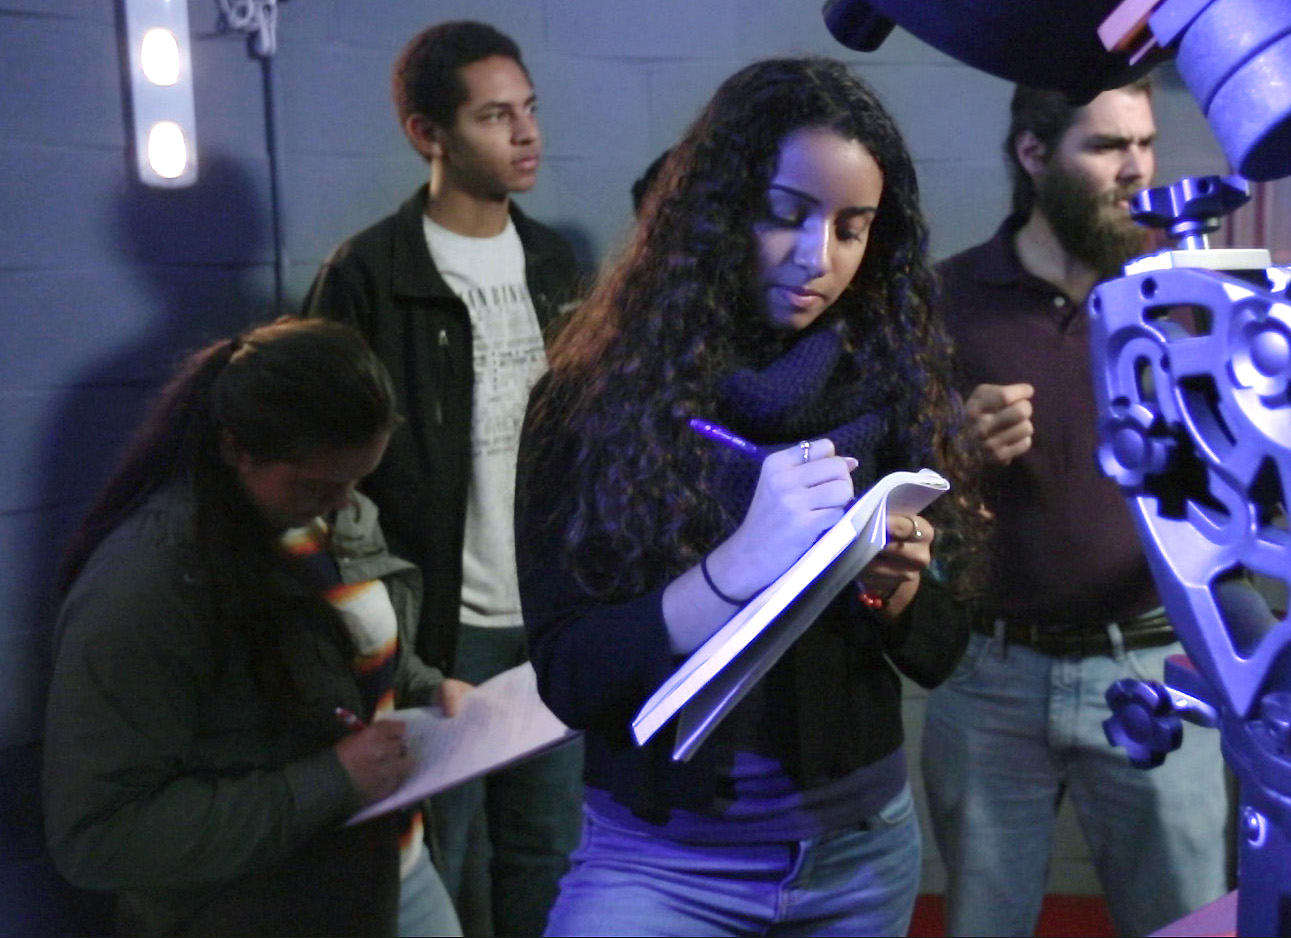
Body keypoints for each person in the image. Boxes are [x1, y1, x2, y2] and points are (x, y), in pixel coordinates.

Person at [515, 56, 985, 937]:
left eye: (854, 228)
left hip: (858, 853)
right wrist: (736, 569)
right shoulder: (590, 401)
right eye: (786, 215)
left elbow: (942, 649)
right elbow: (572, 674)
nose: (819, 258)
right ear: (721, 210)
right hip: (660, 858)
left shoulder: (891, 381)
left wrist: (897, 588)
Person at [920, 78, 1232, 937]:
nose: (1136, 169)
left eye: (1145, 143)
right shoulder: (948, 299)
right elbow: (886, 482)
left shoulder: (1183, 297)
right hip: (991, 676)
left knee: (1188, 922)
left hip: (1157, 667)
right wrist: (951, 444)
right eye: (1105, 147)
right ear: (1034, 155)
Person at [42, 318, 466, 936]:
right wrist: (333, 779)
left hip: (390, 872)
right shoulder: (150, 587)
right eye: (318, 485)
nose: (345, 502)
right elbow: (98, 836)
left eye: (358, 479)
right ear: (236, 449)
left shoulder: (325, 508)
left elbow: (348, 651)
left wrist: (430, 689)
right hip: (259, 909)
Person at [300, 19, 583, 937]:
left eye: (529, 110)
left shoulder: (553, 263)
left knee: (548, 848)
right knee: (445, 857)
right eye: (496, 116)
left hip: (547, 615)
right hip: (438, 625)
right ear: (430, 135)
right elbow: (324, 474)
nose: (527, 133)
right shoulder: (370, 277)